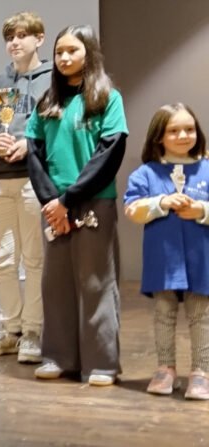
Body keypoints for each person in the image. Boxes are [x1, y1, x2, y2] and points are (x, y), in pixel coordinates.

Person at [27, 25, 128, 386]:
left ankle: (102, 363)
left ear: (89, 53)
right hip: (53, 207)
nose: (64, 57)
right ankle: (59, 357)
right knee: (55, 284)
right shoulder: (46, 101)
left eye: (73, 50)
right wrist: (51, 202)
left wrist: (69, 199)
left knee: (96, 281)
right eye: (59, 52)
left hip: (93, 202)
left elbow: (110, 152)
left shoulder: (108, 97)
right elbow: (34, 154)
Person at [0, 11, 52, 363]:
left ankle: (32, 332)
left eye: (21, 35)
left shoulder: (54, 82)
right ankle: (10, 329)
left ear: (39, 38)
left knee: (34, 260)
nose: (14, 42)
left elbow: (60, 131)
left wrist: (30, 145)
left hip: (35, 181)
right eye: (9, 37)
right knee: (1, 261)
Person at [124, 103, 209, 399]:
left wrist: (202, 210)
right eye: (174, 130)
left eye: (189, 129)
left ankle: (201, 371)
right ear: (159, 135)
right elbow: (132, 209)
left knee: (201, 316)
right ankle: (165, 368)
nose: (183, 135)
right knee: (163, 315)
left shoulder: (207, 169)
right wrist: (161, 203)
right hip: (163, 261)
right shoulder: (145, 173)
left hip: (201, 259)